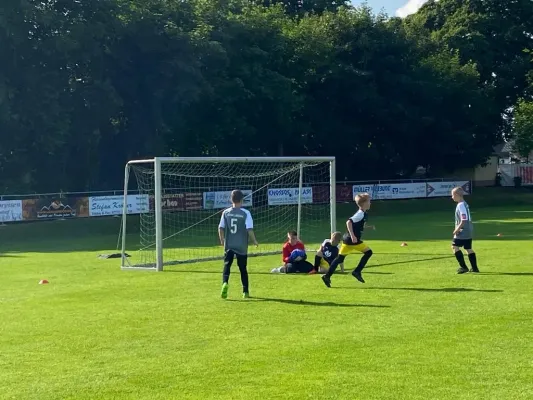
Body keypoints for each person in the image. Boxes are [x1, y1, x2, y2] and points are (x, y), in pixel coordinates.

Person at [321, 192, 375, 287]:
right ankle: (357, 271)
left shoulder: (363, 214)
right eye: (369, 201)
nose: (370, 203)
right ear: (364, 203)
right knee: (369, 252)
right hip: (352, 240)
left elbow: (360, 224)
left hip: (347, 240)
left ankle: (327, 276)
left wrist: (369, 227)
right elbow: (349, 222)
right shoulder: (360, 214)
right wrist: (353, 236)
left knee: (339, 259)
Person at [218, 190, 258, 299]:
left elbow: (220, 228)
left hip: (229, 244)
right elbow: (249, 229)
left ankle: (225, 283)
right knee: (243, 268)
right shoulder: (245, 213)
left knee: (227, 265)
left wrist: (222, 240)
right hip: (241, 246)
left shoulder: (226, 212)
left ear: (231, 199)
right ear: (242, 200)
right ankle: (245, 291)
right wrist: (254, 241)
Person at [451, 187, 479, 274]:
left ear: (456, 195)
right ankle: (474, 268)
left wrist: (457, 229)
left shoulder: (460, 205)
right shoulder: (465, 204)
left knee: (454, 246)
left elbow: (464, 219)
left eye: (452, 195)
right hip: (469, 229)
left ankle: (463, 267)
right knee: (468, 248)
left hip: (463, 230)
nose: (452, 197)